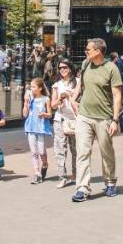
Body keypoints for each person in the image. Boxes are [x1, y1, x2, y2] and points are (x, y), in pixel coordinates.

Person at [70, 38, 122, 202]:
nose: (86, 52)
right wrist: (74, 98)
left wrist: (115, 119)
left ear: (98, 51)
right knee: (83, 152)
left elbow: (117, 95)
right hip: (84, 115)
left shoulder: (111, 68)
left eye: (88, 49)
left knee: (106, 151)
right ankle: (82, 188)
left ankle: (110, 182)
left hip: (104, 117)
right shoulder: (86, 64)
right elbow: (81, 83)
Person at [50, 58, 78, 188]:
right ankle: (62, 177)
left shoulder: (78, 83)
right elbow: (53, 105)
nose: (62, 70)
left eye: (65, 67)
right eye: (60, 68)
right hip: (60, 119)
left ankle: (76, 175)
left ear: (70, 68)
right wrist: (60, 98)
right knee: (60, 149)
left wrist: (71, 96)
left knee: (76, 150)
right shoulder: (57, 84)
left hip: (75, 120)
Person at [22, 78, 53, 184]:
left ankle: (45, 164)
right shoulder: (30, 98)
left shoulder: (46, 99)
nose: (31, 89)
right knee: (34, 152)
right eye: (31, 86)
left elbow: (50, 114)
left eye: (33, 87)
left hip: (41, 128)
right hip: (30, 128)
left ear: (40, 88)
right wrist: (26, 102)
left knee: (41, 151)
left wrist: (44, 115)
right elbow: (25, 114)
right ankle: (37, 173)